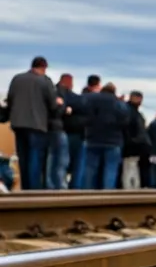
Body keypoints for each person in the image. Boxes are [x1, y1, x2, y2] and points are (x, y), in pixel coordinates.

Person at [4, 56, 61, 190]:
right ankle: (33, 191)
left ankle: (25, 189)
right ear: (44, 67)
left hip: (18, 125)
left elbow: (10, 100)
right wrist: (59, 103)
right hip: (37, 125)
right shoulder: (45, 81)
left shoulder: (16, 79)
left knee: (23, 159)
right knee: (35, 159)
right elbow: (52, 105)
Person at [80, 82, 130, 189]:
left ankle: (87, 192)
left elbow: (82, 112)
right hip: (113, 140)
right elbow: (126, 120)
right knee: (110, 169)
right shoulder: (118, 103)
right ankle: (108, 193)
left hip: (92, 138)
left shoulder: (91, 99)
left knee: (90, 168)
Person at [67, 75, 100, 188]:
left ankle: (73, 187)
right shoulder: (95, 100)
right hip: (86, 136)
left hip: (72, 132)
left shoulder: (78, 98)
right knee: (81, 165)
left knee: (72, 164)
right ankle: (78, 188)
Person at [45, 73, 74, 189]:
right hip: (57, 128)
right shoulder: (60, 92)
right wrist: (65, 108)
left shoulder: (51, 91)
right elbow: (57, 110)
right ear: (66, 81)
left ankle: (49, 185)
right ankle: (60, 186)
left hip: (47, 128)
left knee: (50, 159)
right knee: (61, 160)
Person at [120, 91, 150, 188]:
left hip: (134, 145)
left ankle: (131, 187)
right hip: (134, 146)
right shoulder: (133, 113)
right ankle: (130, 187)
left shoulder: (131, 111)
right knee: (130, 169)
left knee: (131, 169)